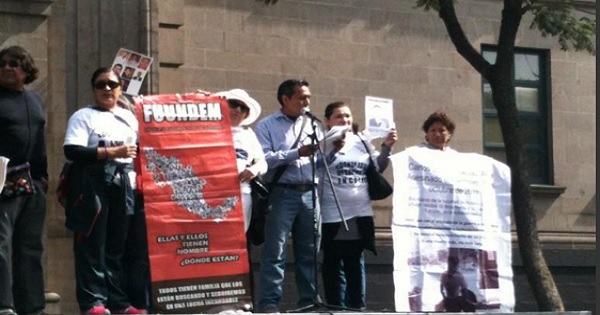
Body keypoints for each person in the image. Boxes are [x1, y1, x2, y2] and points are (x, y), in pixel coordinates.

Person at [63, 67, 146, 315]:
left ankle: (119, 302)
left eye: (112, 84)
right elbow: (72, 151)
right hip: (92, 186)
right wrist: (110, 153)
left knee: (116, 247)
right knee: (92, 246)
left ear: (120, 88)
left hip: (124, 187)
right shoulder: (83, 116)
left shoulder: (131, 118)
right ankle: (93, 303)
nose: (107, 89)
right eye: (101, 84)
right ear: (94, 89)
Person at [320, 101, 396, 309]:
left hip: (360, 214)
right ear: (328, 122)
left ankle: (357, 308)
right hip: (332, 216)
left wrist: (386, 147)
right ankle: (335, 307)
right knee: (333, 264)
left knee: (355, 263)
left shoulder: (361, 141)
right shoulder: (323, 142)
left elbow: (376, 168)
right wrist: (333, 149)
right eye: (338, 116)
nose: (344, 120)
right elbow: (317, 167)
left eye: (347, 116)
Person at [254, 79, 322, 313]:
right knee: (276, 250)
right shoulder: (266, 125)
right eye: (302, 98)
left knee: (309, 251)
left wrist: (332, 150)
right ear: (285, 99)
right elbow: (264, 159)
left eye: (309, 98)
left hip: (310, 195)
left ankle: (309, 302)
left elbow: (319, 163)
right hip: (282, 194)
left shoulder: (313, 124)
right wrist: (297, 152)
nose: (307, 102)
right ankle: (270, 303)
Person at [0, 45, 48, 315]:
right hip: (1, 179)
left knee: (30, 247)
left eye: (14, 63)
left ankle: (32, 306)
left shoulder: (34, 100)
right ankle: (4, 305)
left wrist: (43, 178)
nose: (7, 67)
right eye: (3, 63)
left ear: (26, 70)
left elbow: (40, 142)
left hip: (31, 181)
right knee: (1, 246)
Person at [213, 88, 267, 232]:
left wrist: (254, 169)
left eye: (242, 107)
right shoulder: (208, 130)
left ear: (246, 114)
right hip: (212, 194)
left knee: (237, 237)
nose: (237, 109)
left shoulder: (248, 134)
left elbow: (262, 162)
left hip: (242, 194)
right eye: (233, 104)